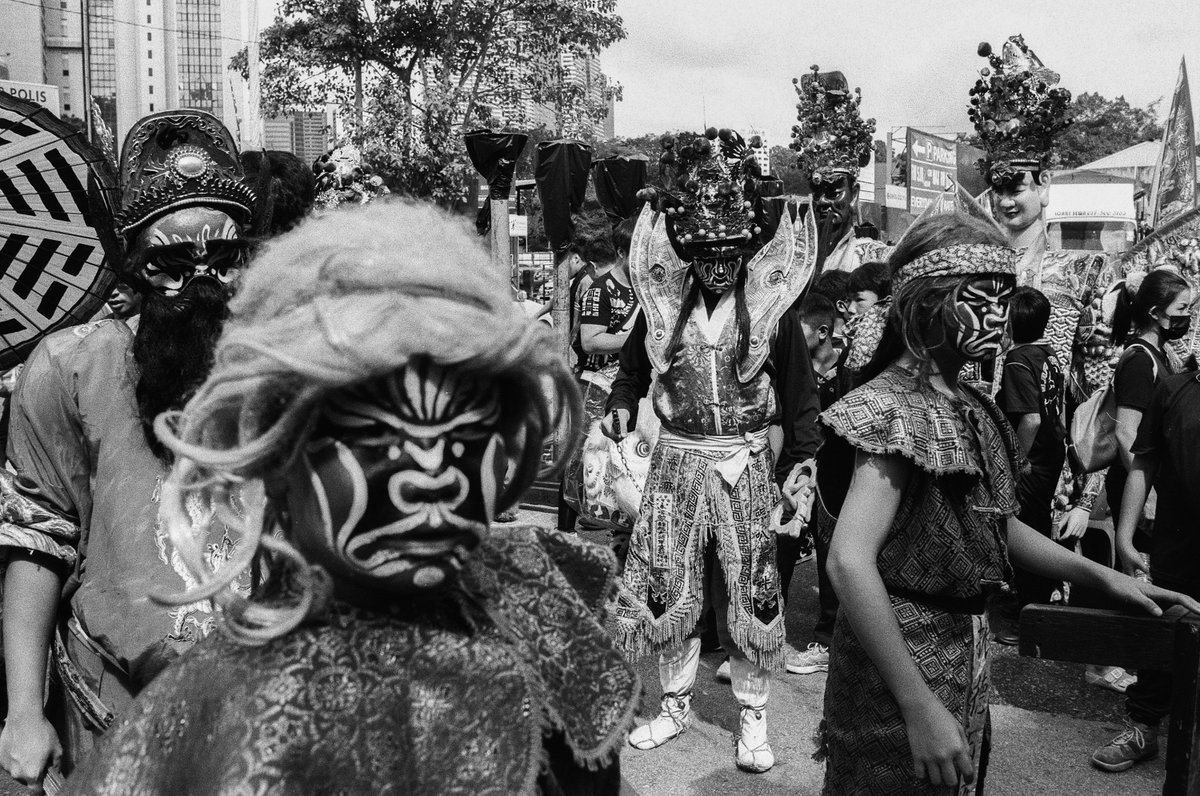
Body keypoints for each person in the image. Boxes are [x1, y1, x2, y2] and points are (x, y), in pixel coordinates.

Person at [58, 201, 638, 795]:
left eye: (468, 431)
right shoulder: (221, 708)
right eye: (375, 436)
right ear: (273, 451)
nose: (431, 474)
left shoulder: (541, 608)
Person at [814, 211, 1200, 794]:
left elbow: (995, 524)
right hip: (896, 665)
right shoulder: (892, 403)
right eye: (982, 298)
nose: (1000, 315)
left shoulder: (969, 399)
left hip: (962, 652)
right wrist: (918, 706)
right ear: (927, 302)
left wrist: (1110, 579)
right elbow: (848, 562)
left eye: (1006, 296)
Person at [0, 110, 260, 783]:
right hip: (112, 702)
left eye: (224, 261)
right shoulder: (69, 368)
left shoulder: (284, 369)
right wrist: (24, 711)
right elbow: (39, 541)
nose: (204, 284)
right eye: (174, 263)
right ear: (131, 262)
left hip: (261, 700)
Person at [606, 127, 821, 773]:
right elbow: (631, 371)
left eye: (730, 250)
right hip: (674, 460)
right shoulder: (662, 303)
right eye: (706, 251)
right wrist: (621, 400)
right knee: (671, 583)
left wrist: (801, 463)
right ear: (687, 249)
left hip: (744, 463)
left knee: (752, 588)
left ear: (746, 248)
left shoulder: (770, 308)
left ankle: (753, 718)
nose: (719, 263)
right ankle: (673, 705)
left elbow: (800, 392)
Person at [1091, 361, 1200, 773]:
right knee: (1162, 634)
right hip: (1177, 550)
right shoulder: (1174, 390)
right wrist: (1124, 536)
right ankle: (1143, 729)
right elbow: (1143, 464)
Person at [990, 286, 1067, 644]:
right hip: (1050, 457)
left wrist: (1016, 462)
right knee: (1036, 526)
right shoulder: (1050, 355)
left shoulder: (1017, 360)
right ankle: (1034, 604)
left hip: (1031, 462)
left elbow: (1031, 419)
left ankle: (1024, 615)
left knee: (1023, 533)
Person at [791, 67, 891, 273]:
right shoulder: (795, 262)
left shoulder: (873, 261)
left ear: (854, 195)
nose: (822, 202)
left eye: (834, 193)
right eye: (816, 193)